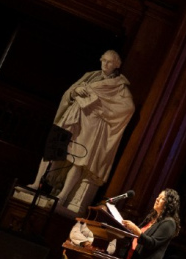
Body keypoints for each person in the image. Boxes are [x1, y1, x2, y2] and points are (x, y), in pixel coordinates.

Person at [31, 50, 135, 212]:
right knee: (54, 150)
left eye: (109, 62)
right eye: (103, 61)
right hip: (73, 118)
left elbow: (128, 108)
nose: (105, 64)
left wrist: (101, 108)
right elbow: (71, 92)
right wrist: (75, 92)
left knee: (78, 159)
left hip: (91, 125)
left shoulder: (119, 86)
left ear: (117, 65)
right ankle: (38, 183)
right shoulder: (90, 76)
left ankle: (63, 197)